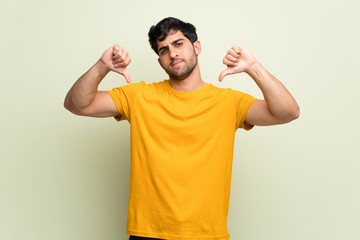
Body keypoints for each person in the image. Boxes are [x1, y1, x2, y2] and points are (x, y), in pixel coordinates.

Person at [64, 17, 299, 240]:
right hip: (148, 233)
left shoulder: (229, 102)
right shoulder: (139, 96)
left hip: (207, 234)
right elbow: (76, 104)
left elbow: (288, 112)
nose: (172, 53)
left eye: (178, 43)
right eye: (163, 49)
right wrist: (101, 67)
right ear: (160, 61)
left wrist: (254, 68)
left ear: (196, 46)